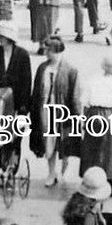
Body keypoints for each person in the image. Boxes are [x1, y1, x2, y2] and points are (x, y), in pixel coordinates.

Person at [33, 36, 81, 186]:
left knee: (65, 145)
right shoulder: (42, 68)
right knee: (49, 142)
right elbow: (36, 91)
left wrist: (77, 116)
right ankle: (51, 172)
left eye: (49, 51)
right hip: (46, 110)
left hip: (63, 113)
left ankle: (62, 172)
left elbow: (75, 95)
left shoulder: (71, 70)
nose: (46, 53)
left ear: (57, 51)